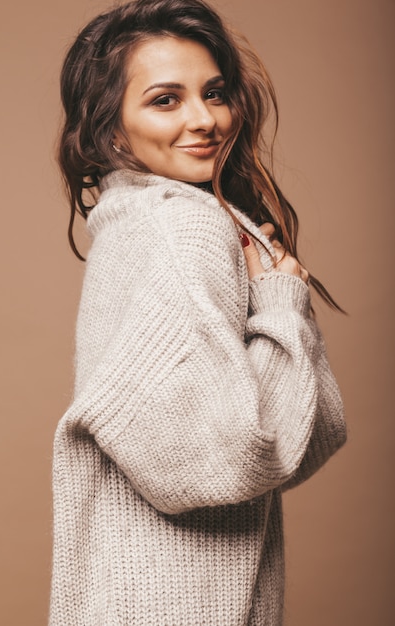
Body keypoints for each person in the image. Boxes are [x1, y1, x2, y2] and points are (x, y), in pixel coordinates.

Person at [50, 0, 347, 624]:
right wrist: (283, 307)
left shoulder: (135, 224)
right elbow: (222, 464)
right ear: (110, 130)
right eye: (166, 99)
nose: (205, 119)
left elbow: (302, 439)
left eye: (214, 93)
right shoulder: (179, 229)